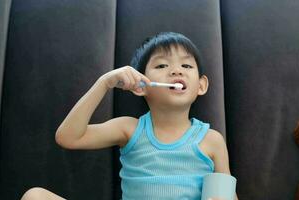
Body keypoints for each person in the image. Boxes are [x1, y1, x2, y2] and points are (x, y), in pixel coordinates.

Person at [21, 32, 238, 200]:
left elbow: (227, 194)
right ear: (141, 85)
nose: (176, 71)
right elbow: (68, 137)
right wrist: (104, 82)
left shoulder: (212, 140)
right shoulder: (129, 129)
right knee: (35, 196)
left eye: (186, 65)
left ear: (201, 85)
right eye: (162, 65)